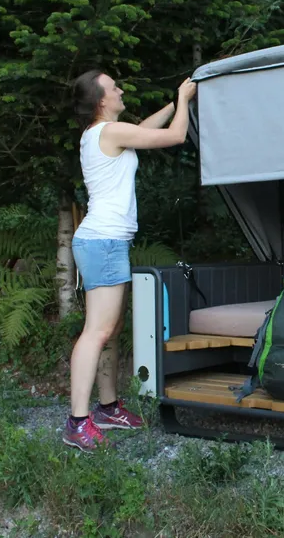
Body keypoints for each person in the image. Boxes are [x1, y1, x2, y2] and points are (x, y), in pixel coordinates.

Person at [63, 70, 197, 451]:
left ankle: (107, 407)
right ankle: (77, 422)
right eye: (114, 88)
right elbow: (174, 136)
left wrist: (176, 99)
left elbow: (142, 128)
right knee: (97, 331)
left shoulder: (106, 133)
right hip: (102, 242)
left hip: (107, 242)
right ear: (101, 100)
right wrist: (184, 104)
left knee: (110, 329)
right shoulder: (107, 133)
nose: (122, 90)